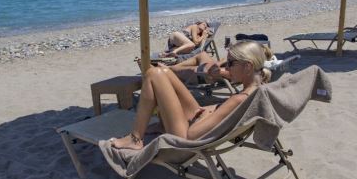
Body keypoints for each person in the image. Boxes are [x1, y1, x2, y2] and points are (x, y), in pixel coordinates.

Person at [106, 41, 271, 150]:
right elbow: (222, 116)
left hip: (185, 137)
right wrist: (206, 111)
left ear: (248, 67)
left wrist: (199, 117)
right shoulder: (257, 88)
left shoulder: (238, 99)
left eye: (231, 63)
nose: (226, 67)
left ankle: (135, 139)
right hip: (199, 119)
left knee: (153, 74)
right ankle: (162, 123)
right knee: (165, 72)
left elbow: (191, 135)